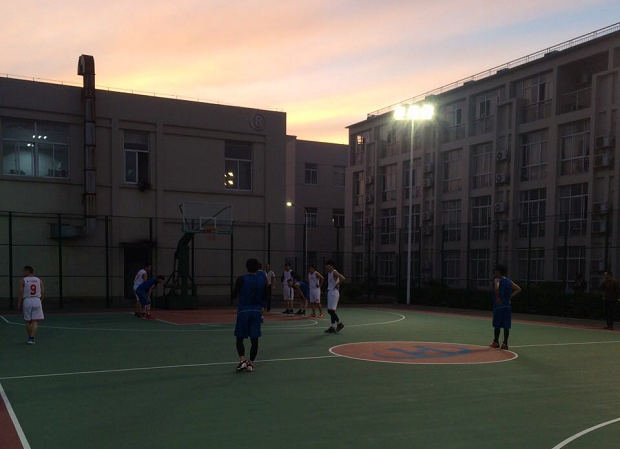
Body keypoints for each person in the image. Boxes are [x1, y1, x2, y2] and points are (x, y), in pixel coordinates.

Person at [233, 258, 267, 372]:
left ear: (246, 267)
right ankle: (251, 363)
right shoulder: (262, 280)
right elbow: (265, 296)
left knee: (239, 337)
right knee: (254, 339)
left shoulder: (241, 279)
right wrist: (264, 307)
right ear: (257, 268)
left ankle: (242, 360)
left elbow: (234, 294)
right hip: (256, 311)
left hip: (244, 310)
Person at [490, 264, 521, 350]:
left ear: (499, 271)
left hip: (499, 305)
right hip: (507, 306)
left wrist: (497, 297)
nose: (494, 272)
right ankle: (505, 343)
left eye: (495, 271)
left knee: (497, 324)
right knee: (506, 325)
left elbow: (497, 288)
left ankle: (496, 342)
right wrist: (510, 296)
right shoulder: (509, 281)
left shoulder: (497, 280)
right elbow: (518, 289)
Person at [17, 266, 44, 345]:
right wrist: (40, 301)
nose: (23, 272)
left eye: (24, 271)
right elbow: (43, 292)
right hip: (36, 299)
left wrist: (19, 303)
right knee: (35, 320)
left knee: (28, 321)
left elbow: (20, 292)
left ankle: (30, 337)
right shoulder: (39, 280)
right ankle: (32, 337)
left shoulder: (23, 280)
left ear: (27, 271)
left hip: (27, 300)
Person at [324, 260, 346, 333]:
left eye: (327, 265)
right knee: (331, 311)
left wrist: (337, 284)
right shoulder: (329, 273)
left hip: (334, 293)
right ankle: (332, 327)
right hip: (330, 292)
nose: (326, 267)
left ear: (331, 266)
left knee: (330, 311)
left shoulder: (334, 272)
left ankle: (339, 323)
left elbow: (342, 278)